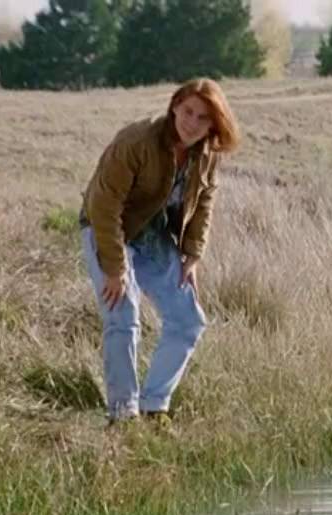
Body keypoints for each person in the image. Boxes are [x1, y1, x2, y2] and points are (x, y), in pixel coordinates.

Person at [79, 78, 240, 426]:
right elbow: (104, 205)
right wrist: (115, 268)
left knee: (188, 319)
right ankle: (122, 415)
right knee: (122, 313)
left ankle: (154, 408)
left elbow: (204, 203)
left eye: (203, 118)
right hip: (107, 228)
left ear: (213, 125)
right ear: (175, 106)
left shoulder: (207, 154)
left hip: (152, 233)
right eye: (188, 111)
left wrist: (192, 255)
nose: (192, 123)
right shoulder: (137, 141)